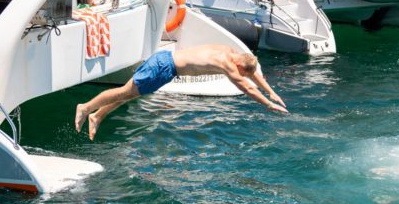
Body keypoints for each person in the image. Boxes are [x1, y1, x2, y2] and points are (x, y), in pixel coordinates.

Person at [75, 44, 289, 140]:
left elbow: (253, 76)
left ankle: (98, 115)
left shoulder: (231, 52)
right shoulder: (227, 65)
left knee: (131, 94)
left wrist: (271, 92)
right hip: (164, 68)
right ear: (240, 67)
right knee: (125, 92)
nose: (242, 75)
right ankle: (85, 107)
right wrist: (268, 104)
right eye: (242, 73)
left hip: (165, 64)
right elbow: (247, 87)